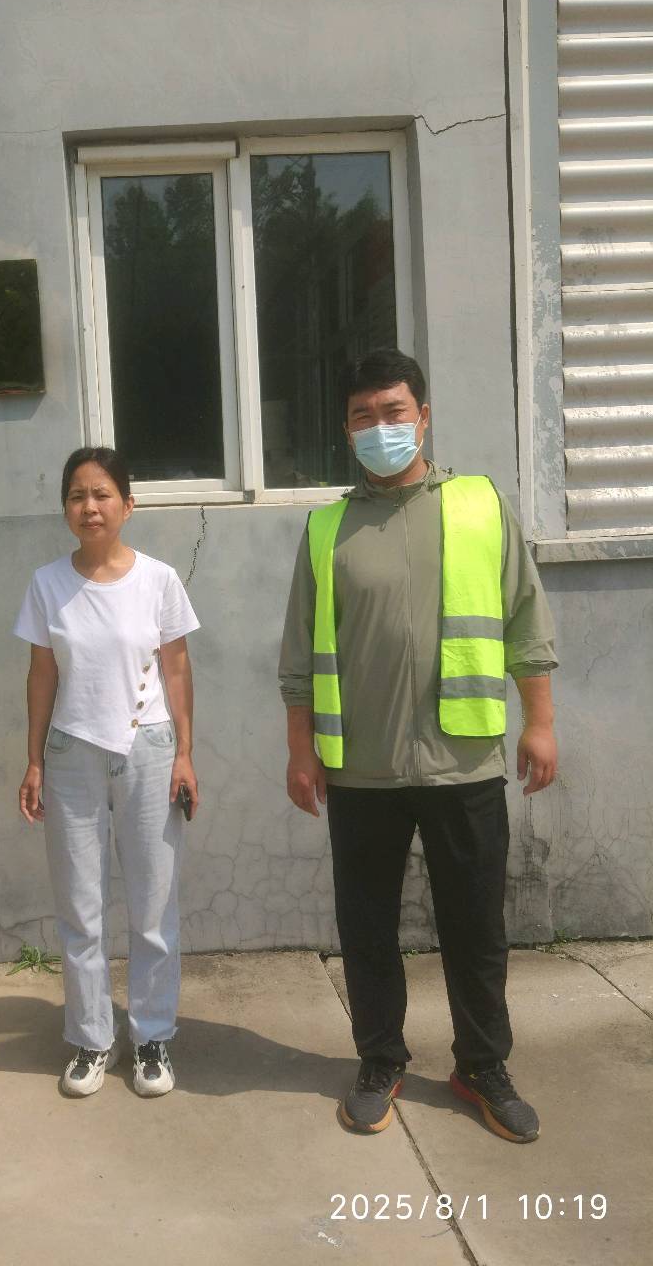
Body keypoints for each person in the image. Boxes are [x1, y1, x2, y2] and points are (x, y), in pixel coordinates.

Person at [279, 348, 558, 1144]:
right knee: (367, 928)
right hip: (361, 769)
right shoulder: (327, 527)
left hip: (463, 761)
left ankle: (482, 1066)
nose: (380, 428)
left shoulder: (478, 505)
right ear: (346, 430)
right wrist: (301, 751)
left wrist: (539, 722)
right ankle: (380, 1060)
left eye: (394, 412)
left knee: (475, 928)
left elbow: (525, 620)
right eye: (363, 417)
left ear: (423, 417)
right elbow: (299, 656)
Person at [13, 447, 200, 1098]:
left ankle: (152, 1036)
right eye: (76, 496)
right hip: (72, 753)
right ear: (65, 507)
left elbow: (178, 669)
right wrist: (34, 759)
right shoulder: (47, 584)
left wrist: (185, 753)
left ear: (127, 504)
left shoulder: (159, 579)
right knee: (80, 908)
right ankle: (92, 1039)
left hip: (150, 748)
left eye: (101, 495)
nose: (89, 507)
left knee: (153, 905)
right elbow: (42, 675)